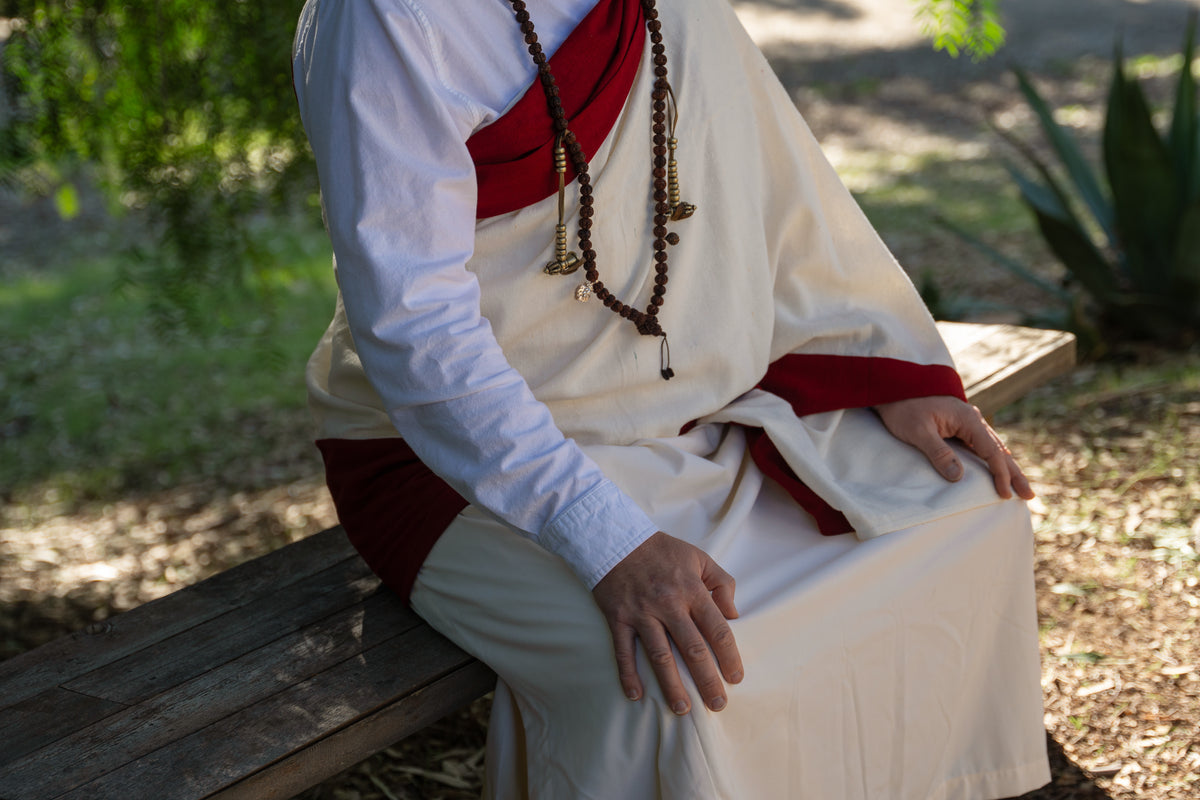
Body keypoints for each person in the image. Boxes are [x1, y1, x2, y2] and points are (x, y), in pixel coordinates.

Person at [292, 0, 1052, 797]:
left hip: (686, 403)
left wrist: (869, 360)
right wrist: (606, 539)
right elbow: (414, 325)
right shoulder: (383, 17)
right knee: (678, 683)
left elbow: (767, 176)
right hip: (457, 461)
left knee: (968, 509)